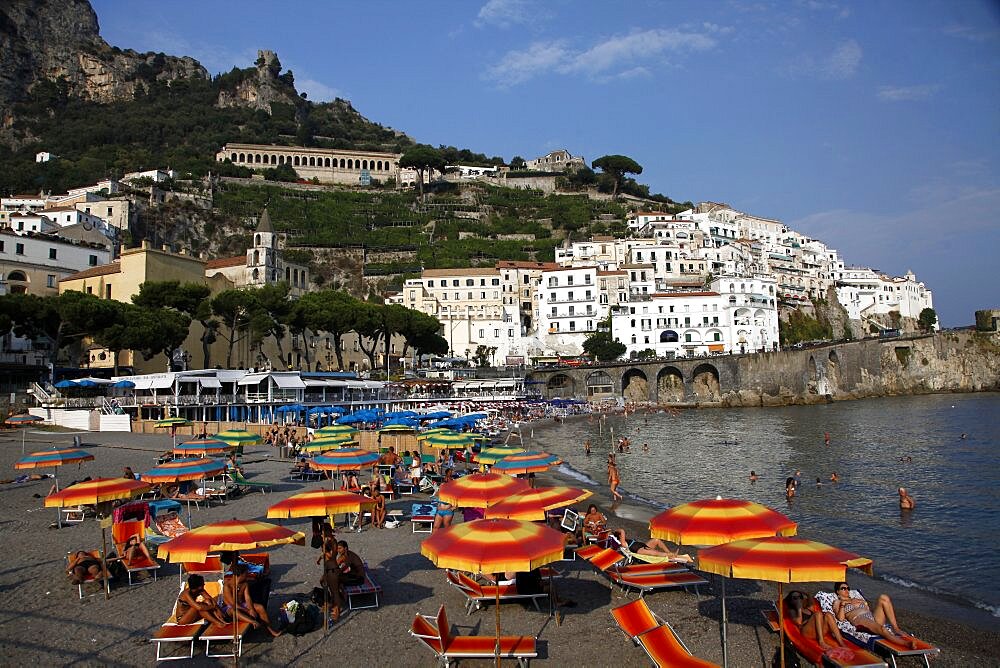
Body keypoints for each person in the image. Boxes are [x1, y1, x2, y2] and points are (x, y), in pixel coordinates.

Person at [832, 582, 916, 648]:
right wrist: (844, 604)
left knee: (883, 598)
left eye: (848, 588)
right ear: (837, 592)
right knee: (882, 629)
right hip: (860, 619)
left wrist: (861, 603)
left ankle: (896, 628)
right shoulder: (838, 602)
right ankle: (906, 644)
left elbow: (867, 608)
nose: (847, 590)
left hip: (871, 616)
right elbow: (841, 618)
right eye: (843, 588)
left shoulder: (856, 599)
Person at [221, 564, 281, 637]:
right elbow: (233, 604)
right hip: (229, 608)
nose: (247, 574)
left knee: (260, 607)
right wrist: (248, 611)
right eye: (246, 573)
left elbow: (248, 598)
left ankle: (270, 630)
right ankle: (253, 621)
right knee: (234, 610)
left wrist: (251, 609)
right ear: (241, 574)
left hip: (242, 605)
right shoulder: (227, 586)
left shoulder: (244, 584)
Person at [322, 540, 365, 623]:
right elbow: (338, 565)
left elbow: (342, 569)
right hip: (353, 575)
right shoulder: (345, 554)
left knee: (335, 581)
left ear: (345, 548)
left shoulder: (348, 556)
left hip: (359, 578)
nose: (338, 550)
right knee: (335, 580)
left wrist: (333, 571)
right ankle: (336, 599)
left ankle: (337, 605)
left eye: (340, 548)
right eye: (337, 548)